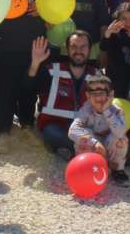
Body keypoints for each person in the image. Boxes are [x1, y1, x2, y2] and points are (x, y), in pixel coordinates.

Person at [0, 0, 48, 153]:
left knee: (29, 90)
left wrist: (42, 10)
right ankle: (2, 134)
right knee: (4, 91)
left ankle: (27, 127)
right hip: (7, 43)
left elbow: (54, 15)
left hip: (34, 47)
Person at [29, 32, 96, 161]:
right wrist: (35, 63)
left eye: (83, 47)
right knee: (51, 133)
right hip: (56, 126)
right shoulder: (52, 70)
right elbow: (29, 87)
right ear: (67, 49)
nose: (78, 51)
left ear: (89, 50)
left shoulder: (97, 75)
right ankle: (85, 153)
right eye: (74, 47)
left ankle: (74, 152)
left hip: (83, 129)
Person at [68, 75, 130, 185]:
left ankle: (117, 170)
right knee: (85, 133)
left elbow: (120, 132)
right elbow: (72, 130)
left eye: (102, 93)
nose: (98, 97)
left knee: (120, 138)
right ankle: (87, 167)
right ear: (87, 95)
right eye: (93, 93)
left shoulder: (117, 111)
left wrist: (106, 110)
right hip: (93, 147)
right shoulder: (85, 110)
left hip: (110, 148)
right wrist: (94, 142)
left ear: (110, 94)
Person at [100, 3, 130, 99]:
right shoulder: (114, 33)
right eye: (124, 18)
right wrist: (108, 32)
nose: (128, 22)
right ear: (118, 19)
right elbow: (103, 47)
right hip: (115, 77)